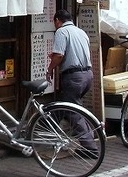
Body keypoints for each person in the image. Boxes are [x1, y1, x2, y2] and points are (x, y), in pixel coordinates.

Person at [46, 9, 97, 157]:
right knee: (73, 106)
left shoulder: (62, 32)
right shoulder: (81, 32)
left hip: (74, 77)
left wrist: (50, 69)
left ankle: (90, 148)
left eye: (54, 23)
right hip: (87, 75)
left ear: (57, 20)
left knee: (72, 111)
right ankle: (52, 131)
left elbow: (60, 55)